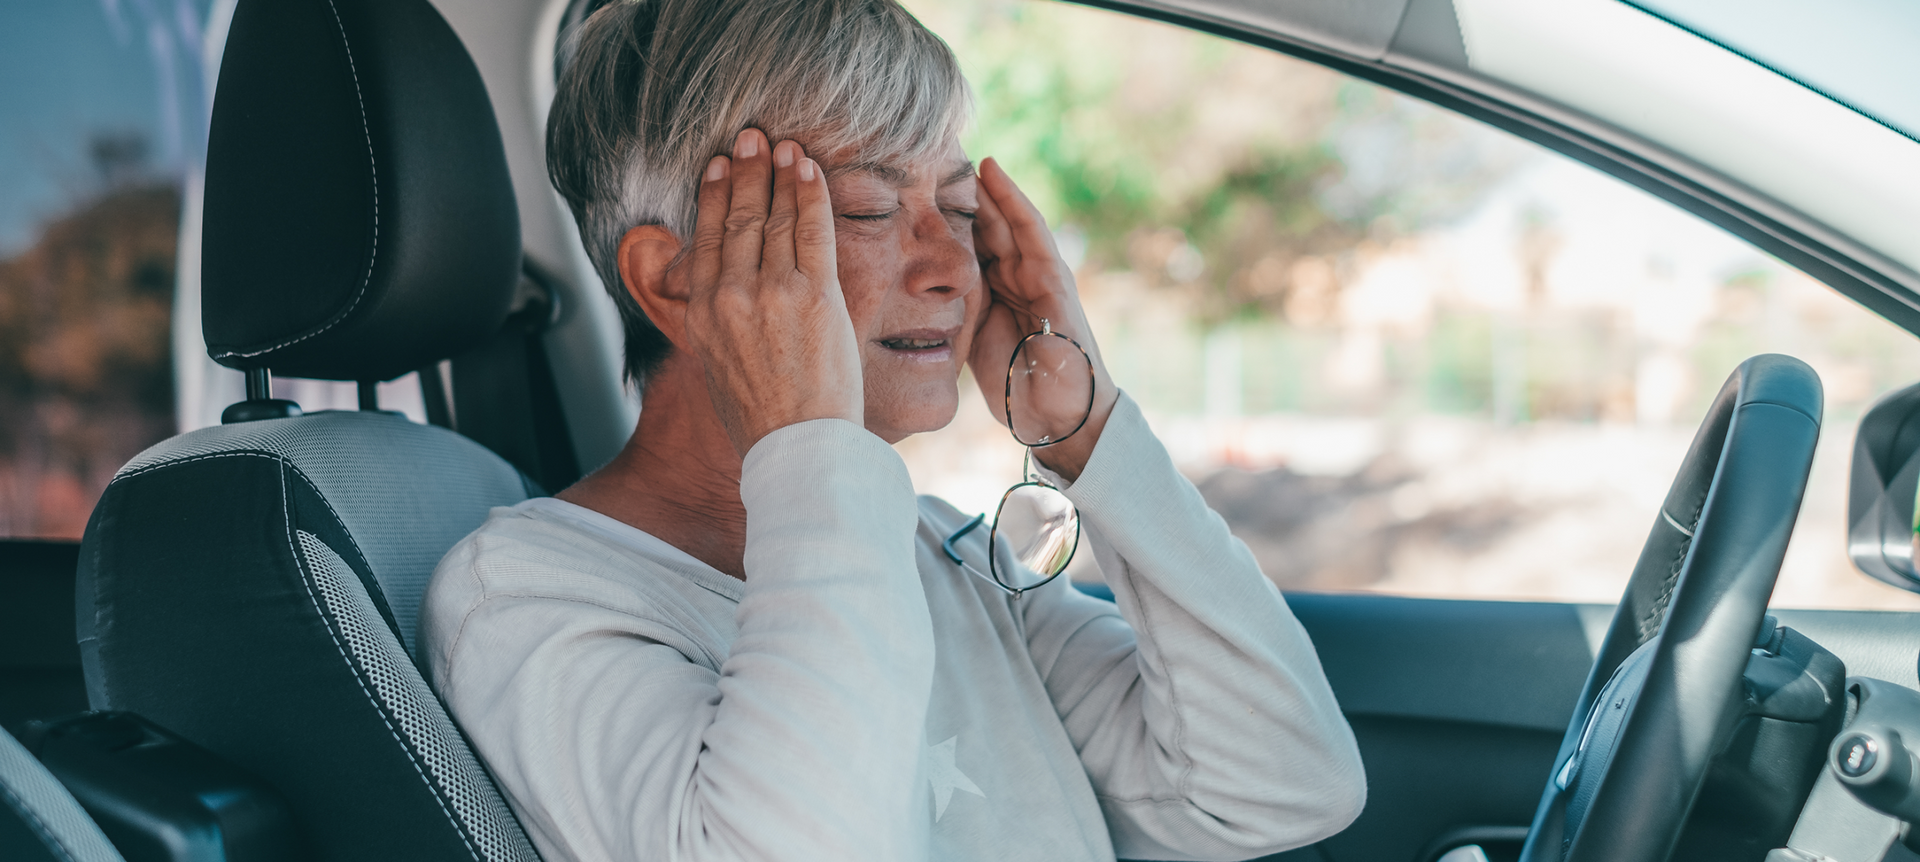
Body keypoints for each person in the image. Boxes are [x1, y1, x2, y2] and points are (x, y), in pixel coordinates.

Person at [419, 0, 1366, 859]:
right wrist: (810, 449)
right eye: (868, 207)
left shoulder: (931, 556)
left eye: (958, 209)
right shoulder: (531, 604)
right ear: (676, 281)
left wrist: (1085, 432)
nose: (955, 267)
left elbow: (1283, 787)